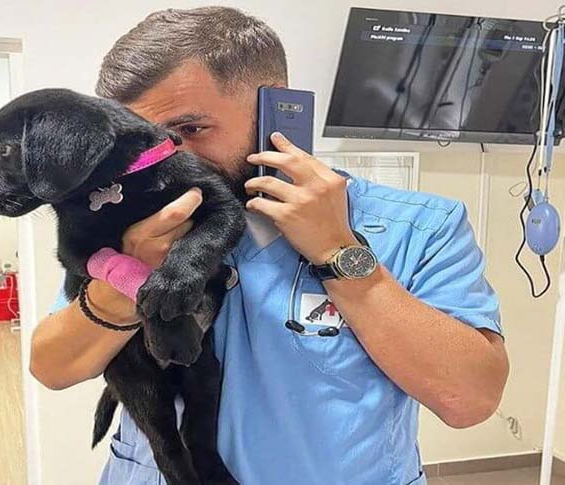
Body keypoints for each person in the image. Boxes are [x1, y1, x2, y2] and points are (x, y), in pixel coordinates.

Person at [29, 6, 509, 485]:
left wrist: (339, 253)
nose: (161, 160)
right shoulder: (129, 222)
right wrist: (128, 277)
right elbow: (52, 368)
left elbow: (469, 400)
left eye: (190, 130)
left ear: (276, 108)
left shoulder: (420, 227)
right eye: (141, 140)